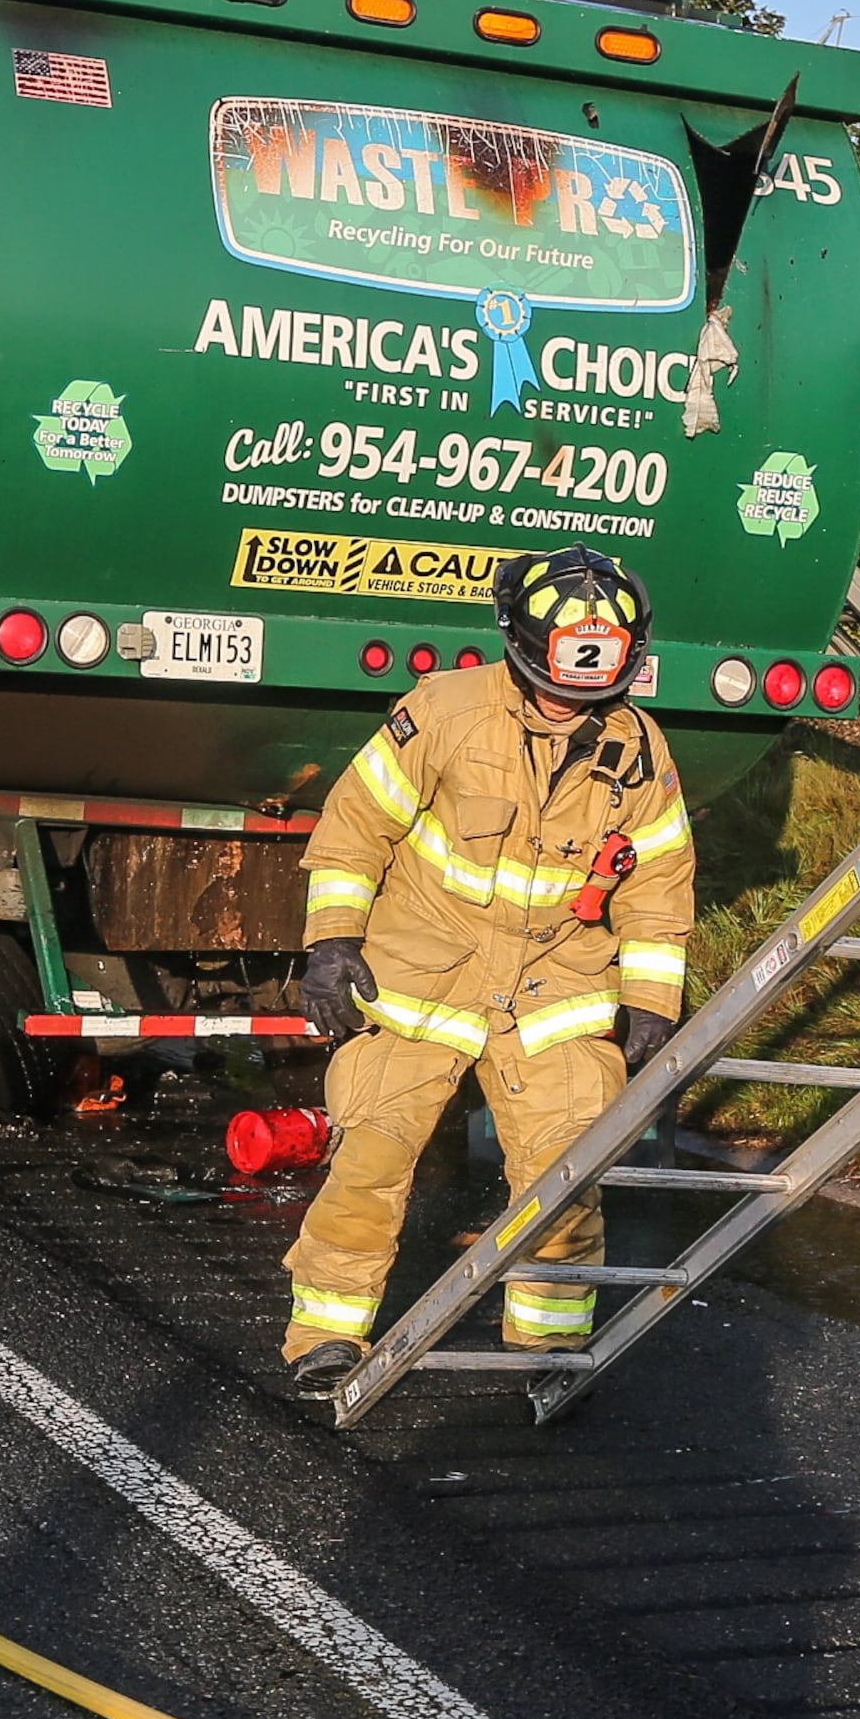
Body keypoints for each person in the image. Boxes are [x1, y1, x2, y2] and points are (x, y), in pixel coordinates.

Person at [276, 546, 695, 1398]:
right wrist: (331, 942)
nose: (573, 692)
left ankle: (548, 1350)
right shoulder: (445, 712)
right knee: (370, 1161)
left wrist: (653, 1000)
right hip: (423, 974)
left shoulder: (640, 750)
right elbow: (356, 828)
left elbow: (658, 879)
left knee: (567, 1177)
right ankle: (325, 1334)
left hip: (556, 989)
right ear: (525, 644)